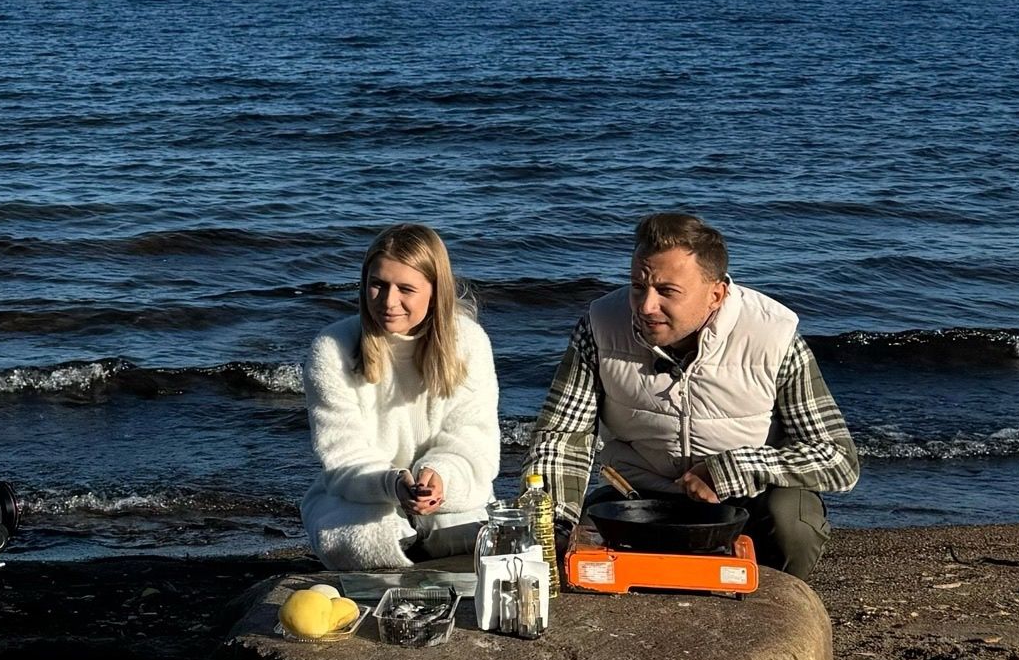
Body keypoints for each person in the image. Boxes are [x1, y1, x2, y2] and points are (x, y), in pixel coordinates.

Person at [524, 210, 859, 579]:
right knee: (576, 543)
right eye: (638, 286)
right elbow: (561, 438)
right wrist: (552, 526)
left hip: (745, 500)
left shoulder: (772, 337)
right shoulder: (599, 326)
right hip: (640, 498)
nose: (646, 306)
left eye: (667, 291)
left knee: (793, 521)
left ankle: (773, 610)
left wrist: (730, 470)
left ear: (716, 294)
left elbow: (838, 460)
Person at [301, 224, 501, 568]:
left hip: (446, 501)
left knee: (473, 533)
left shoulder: (469, 343)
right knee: (364, 540)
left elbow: (474, 442)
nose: (388, 302)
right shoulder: (332, 348)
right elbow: (342, 455)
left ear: (436, 292)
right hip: (361, 497)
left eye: (406, 288)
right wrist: (393, 483)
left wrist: (439, 479)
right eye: (377, 284)